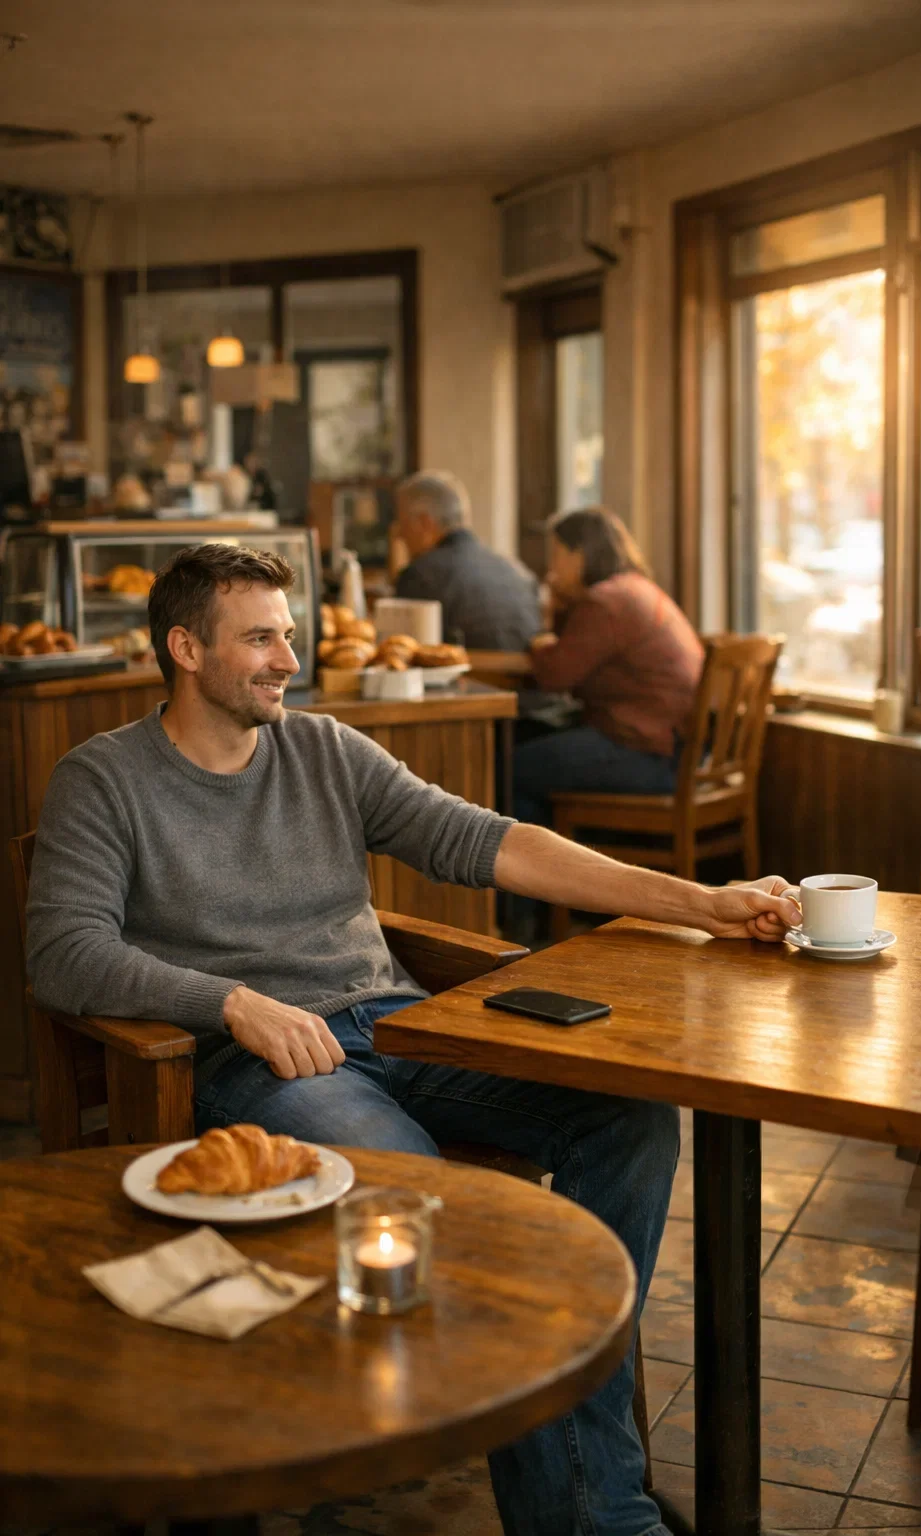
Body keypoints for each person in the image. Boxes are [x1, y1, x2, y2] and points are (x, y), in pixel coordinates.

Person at [26, 543, 799, 1536]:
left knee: (632, 1118)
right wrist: (232, 1003)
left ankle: (562, 1453)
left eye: (289, 636)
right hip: (258, 1068)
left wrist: (701, 904)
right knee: (442, 1197)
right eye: (259, 638)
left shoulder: (325, 750)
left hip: (399, 1024)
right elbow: (64, 956)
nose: (285, 660)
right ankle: (593, 1509)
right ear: (185, 648)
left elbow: (492, 841)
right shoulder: (104, 779)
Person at [515, 507, 706, 830]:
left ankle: (539, 878)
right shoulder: (635, 588)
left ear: (579, 555)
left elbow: (554, 676)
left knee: (510, 768)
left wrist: (540, 638)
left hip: (651, 756)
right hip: (681, 753)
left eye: (556, 554)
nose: (550, 567)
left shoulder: (606, 603)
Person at [394, 470, 541, 650]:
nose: (399, 535)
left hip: (464, 676)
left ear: (425, 523)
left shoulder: (421, 575)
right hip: (527, 677)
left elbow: (400, 652)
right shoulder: (517, 570)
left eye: (402, 523)